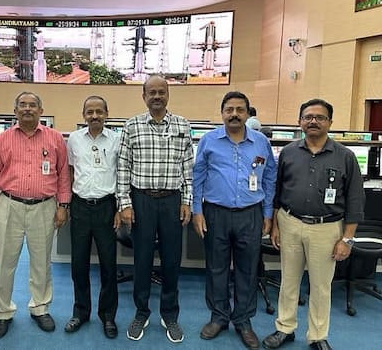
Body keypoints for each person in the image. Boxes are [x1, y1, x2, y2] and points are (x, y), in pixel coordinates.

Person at [262, 99, 365, 350]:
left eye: (320, 117)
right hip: (290, 222)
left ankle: (318, 335)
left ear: (330, 122)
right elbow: (277, 191)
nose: (313, 121)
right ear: (300, 122)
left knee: (320, 286)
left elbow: (355, 200)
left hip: (327, 229)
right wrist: (275, 224)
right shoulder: (288, 152)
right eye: (308, 117)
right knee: (289, 281)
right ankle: (285, 328)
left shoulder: (345, 156)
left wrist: (347, 239)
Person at [0, 91, 71, 338]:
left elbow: (64, 175)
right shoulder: (2, 139)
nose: (28, 109)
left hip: (45, 206)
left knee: (41, 262)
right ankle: (2, 312)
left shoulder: (55, 138)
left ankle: (40, 308)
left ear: (41, 111)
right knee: (4, 262)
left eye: (33, 105)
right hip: (9, 205)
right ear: (15, 111)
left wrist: (63, 206)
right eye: (23, 105)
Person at [192, 91, 276, 350]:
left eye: (240, 110)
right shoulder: (209, 141)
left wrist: (268, 213)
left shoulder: (261, 142)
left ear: (248, 113)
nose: (234, 114)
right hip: (215, 212)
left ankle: (243, 320)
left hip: (251, 213)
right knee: (216, 268)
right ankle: (218, 317)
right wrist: (197, 211)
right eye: (229, 110)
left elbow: (269, 178)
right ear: (222, 113)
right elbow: (197, 177)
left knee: (247, 269)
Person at [117, 74, 193, 343]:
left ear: (168, 95)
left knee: (172, 260)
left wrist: (187, 201)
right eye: (152, 92)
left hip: (172, 200)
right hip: (142, 201)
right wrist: (125, 203)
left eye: (162, 92)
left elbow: (187, 168)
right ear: (144, 96)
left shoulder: (183, 125)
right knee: (142, 259)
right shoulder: (132, 126)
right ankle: (141, 312)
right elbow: (123, 166)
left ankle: (170, 315)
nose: (157, 96)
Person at [65, 95, 121, 338]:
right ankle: (81, 312)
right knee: (79, 264)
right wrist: (66, 203)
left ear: (106, 114)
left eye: (99, 111)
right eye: (90, 112)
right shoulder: (74, 139)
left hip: (107, 206)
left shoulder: (117, 140)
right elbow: (69, 171)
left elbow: (122, 174)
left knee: (108, 265)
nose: (94, 116)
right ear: (84, 115)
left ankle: (108, 316)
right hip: (80, 206)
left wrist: (119, 207)